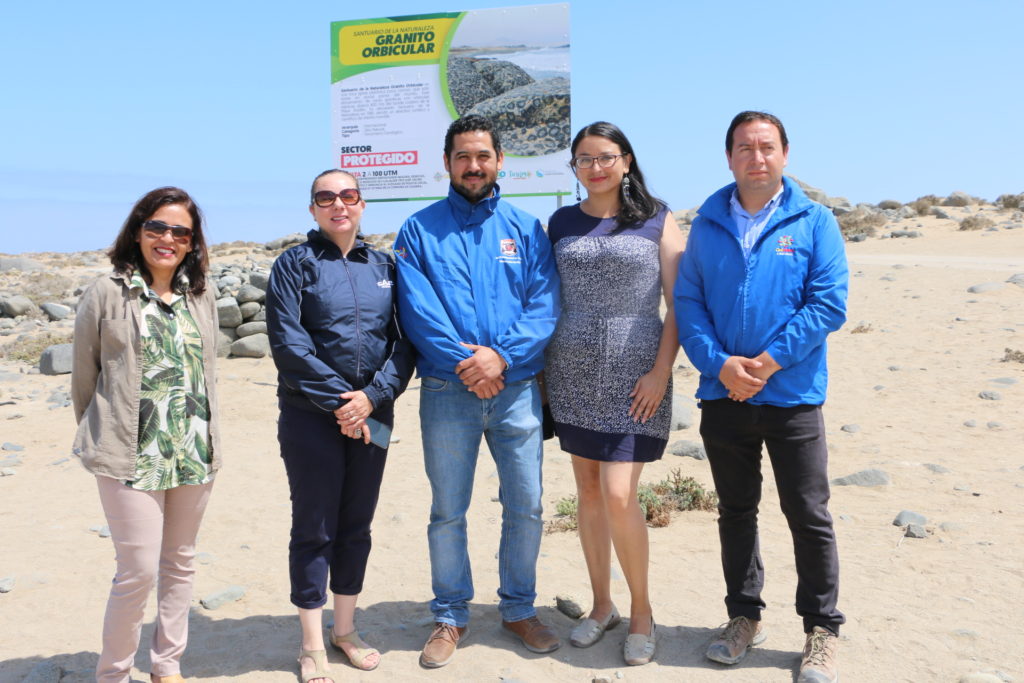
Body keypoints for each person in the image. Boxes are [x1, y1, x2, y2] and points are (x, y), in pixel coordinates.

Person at [674, 111, 848, 683]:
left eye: (767, 146)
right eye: (745, 147)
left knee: (808, 513)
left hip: (793, 395)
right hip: (724, 396)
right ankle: (743, 617)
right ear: (729, 157)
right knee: (735, 511)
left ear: (785, 154)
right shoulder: (707, 225)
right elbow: (689, 304)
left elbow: (828, 304)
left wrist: (769, 362)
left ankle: (821, 629)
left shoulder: (815, 221)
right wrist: (721, 365)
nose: (757, 157)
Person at [393, 115, 561, 668]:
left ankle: (519, 610)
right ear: (446, 163)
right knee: (448, 510)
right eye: (463, 156)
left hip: (516, 389)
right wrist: (470, 363)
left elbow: (544, 304)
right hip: (448, 389)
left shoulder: (526, 229)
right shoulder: (418, 230)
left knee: (527, 505)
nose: (473, 166)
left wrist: (501, 357)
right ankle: (449, 615)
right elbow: (418, 310)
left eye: (482, 156)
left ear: (499, 161)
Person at [265, 170, 414, 683]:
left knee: (356, 525)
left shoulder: (385, 265)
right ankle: (311, 644)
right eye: (325, 198)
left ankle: (345, 630)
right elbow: (288, 344)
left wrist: (371, 398)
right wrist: (342, 404)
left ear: (362, 204)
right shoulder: (294, 264)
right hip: (309, 416)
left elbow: (404, 342)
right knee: (315, 527)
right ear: (312, 209)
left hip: (375, 415)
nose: (338, 205)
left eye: (348, 196)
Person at [544, 122, 684, 665]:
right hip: (571, 367)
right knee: (588, 491)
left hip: (637, 371)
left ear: (625, 160)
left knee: (621, 493)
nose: (595, 167)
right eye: (584, 159)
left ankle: (642, 611)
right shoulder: (561, 221)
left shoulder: (657, 217)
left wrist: (661, 371)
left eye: (605, 157)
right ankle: (602, 605)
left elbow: (679, 300)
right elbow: (548, 296)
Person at [71, 187, 220, 683]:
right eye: (157, 226)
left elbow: (208, 372)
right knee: (137, 571)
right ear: (138, 230)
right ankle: (114, 673)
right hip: (129, 453)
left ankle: (166, 666)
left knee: (180, 562)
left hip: (193, 449)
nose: (167, 238)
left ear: (192, 241)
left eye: (181, 231)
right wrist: (104, 434)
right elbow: (84, 378)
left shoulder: (201, 293)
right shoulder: (107, 291)